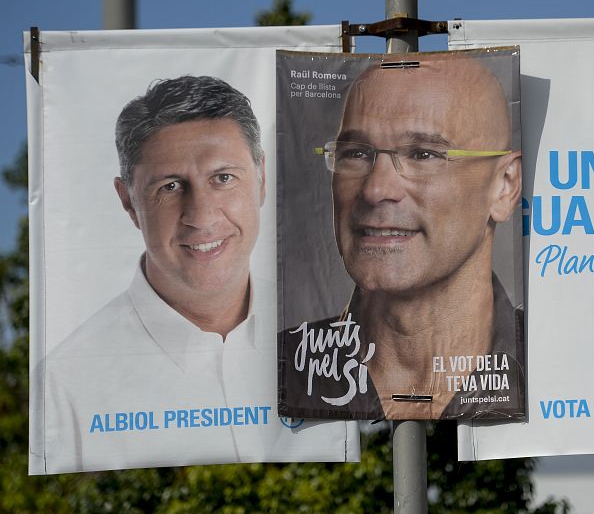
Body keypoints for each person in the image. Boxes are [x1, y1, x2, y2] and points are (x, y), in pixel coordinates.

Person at [40, 76, 274, 473]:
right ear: (127, 201)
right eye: (170, 186)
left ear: (262, 178)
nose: (201, 217)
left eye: (223, 178)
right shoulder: (67, 384)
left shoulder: (333, 334)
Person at [279, 54, 526, 421]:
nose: (376, 189)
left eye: (423, 154)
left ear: (504, 187)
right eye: (357, 153)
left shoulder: (548, 365)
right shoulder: (284, 368)